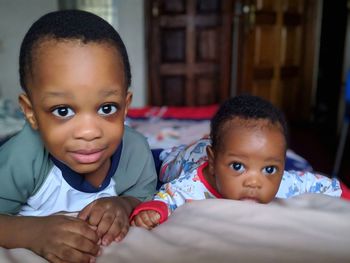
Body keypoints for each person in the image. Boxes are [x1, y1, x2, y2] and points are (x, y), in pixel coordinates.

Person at [0, 10, 157, 263]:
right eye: (62, 111)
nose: (89, 132)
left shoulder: (135, 150)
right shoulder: (22, 157)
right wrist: (32, 233)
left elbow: (144, 196)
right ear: (30, 112)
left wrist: (124, 205)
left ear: (126, 106)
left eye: (107, 108)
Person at [130, 95, 346, 229]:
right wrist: (154, 210)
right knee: (152, 161)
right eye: (238, 166)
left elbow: (314, 183)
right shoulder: (192, 185)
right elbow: (169, 196)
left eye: (269, 169)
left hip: (211, 151)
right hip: (179, 159)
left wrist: (343, 193)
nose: (254, 182)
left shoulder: (283, 183)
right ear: (213, 163)